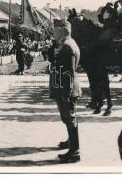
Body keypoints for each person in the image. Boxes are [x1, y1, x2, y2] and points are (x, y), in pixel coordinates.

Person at [49, 19, 81, 163]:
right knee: (68, 117)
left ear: (62, 30)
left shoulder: (67, 46)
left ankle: (75, 152)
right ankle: (71, 143)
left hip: (66, 89)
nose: (53, 31)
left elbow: (69, 72)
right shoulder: (67, 43)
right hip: (64, 87)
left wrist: (66, 94)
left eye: (55, 29)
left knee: (70, 117)